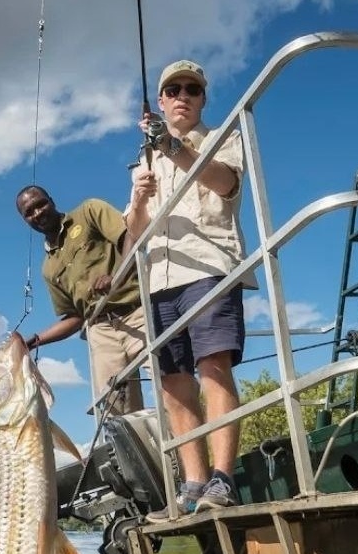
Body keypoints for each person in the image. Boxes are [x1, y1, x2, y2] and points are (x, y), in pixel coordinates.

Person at [123, 60, 255, 519]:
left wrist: (171, 145)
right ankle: (192, 484)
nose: (183, 96)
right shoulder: (142, 161)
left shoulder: (224, 138)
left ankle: (222, 479)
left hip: (208, 270)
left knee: (213, 367)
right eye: (173, 89)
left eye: (192, 90)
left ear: (203, 98)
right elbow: (133, 237)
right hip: (159, 282)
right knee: (174, 386)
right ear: (160, 101)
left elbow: (225, 182)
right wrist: (139, 199)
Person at [15, 185, 147, 417]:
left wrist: (116, 278)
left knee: (168, 377)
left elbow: (131, 234)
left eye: (40, 204)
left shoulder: (89, 211)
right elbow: (75, 316)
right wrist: (34, 342)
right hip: (99, 329)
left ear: (52, 200)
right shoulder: (49, 268)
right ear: (24, 220)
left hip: (137, 310)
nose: (37, 213)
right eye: (29, 212)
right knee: (115, 409)